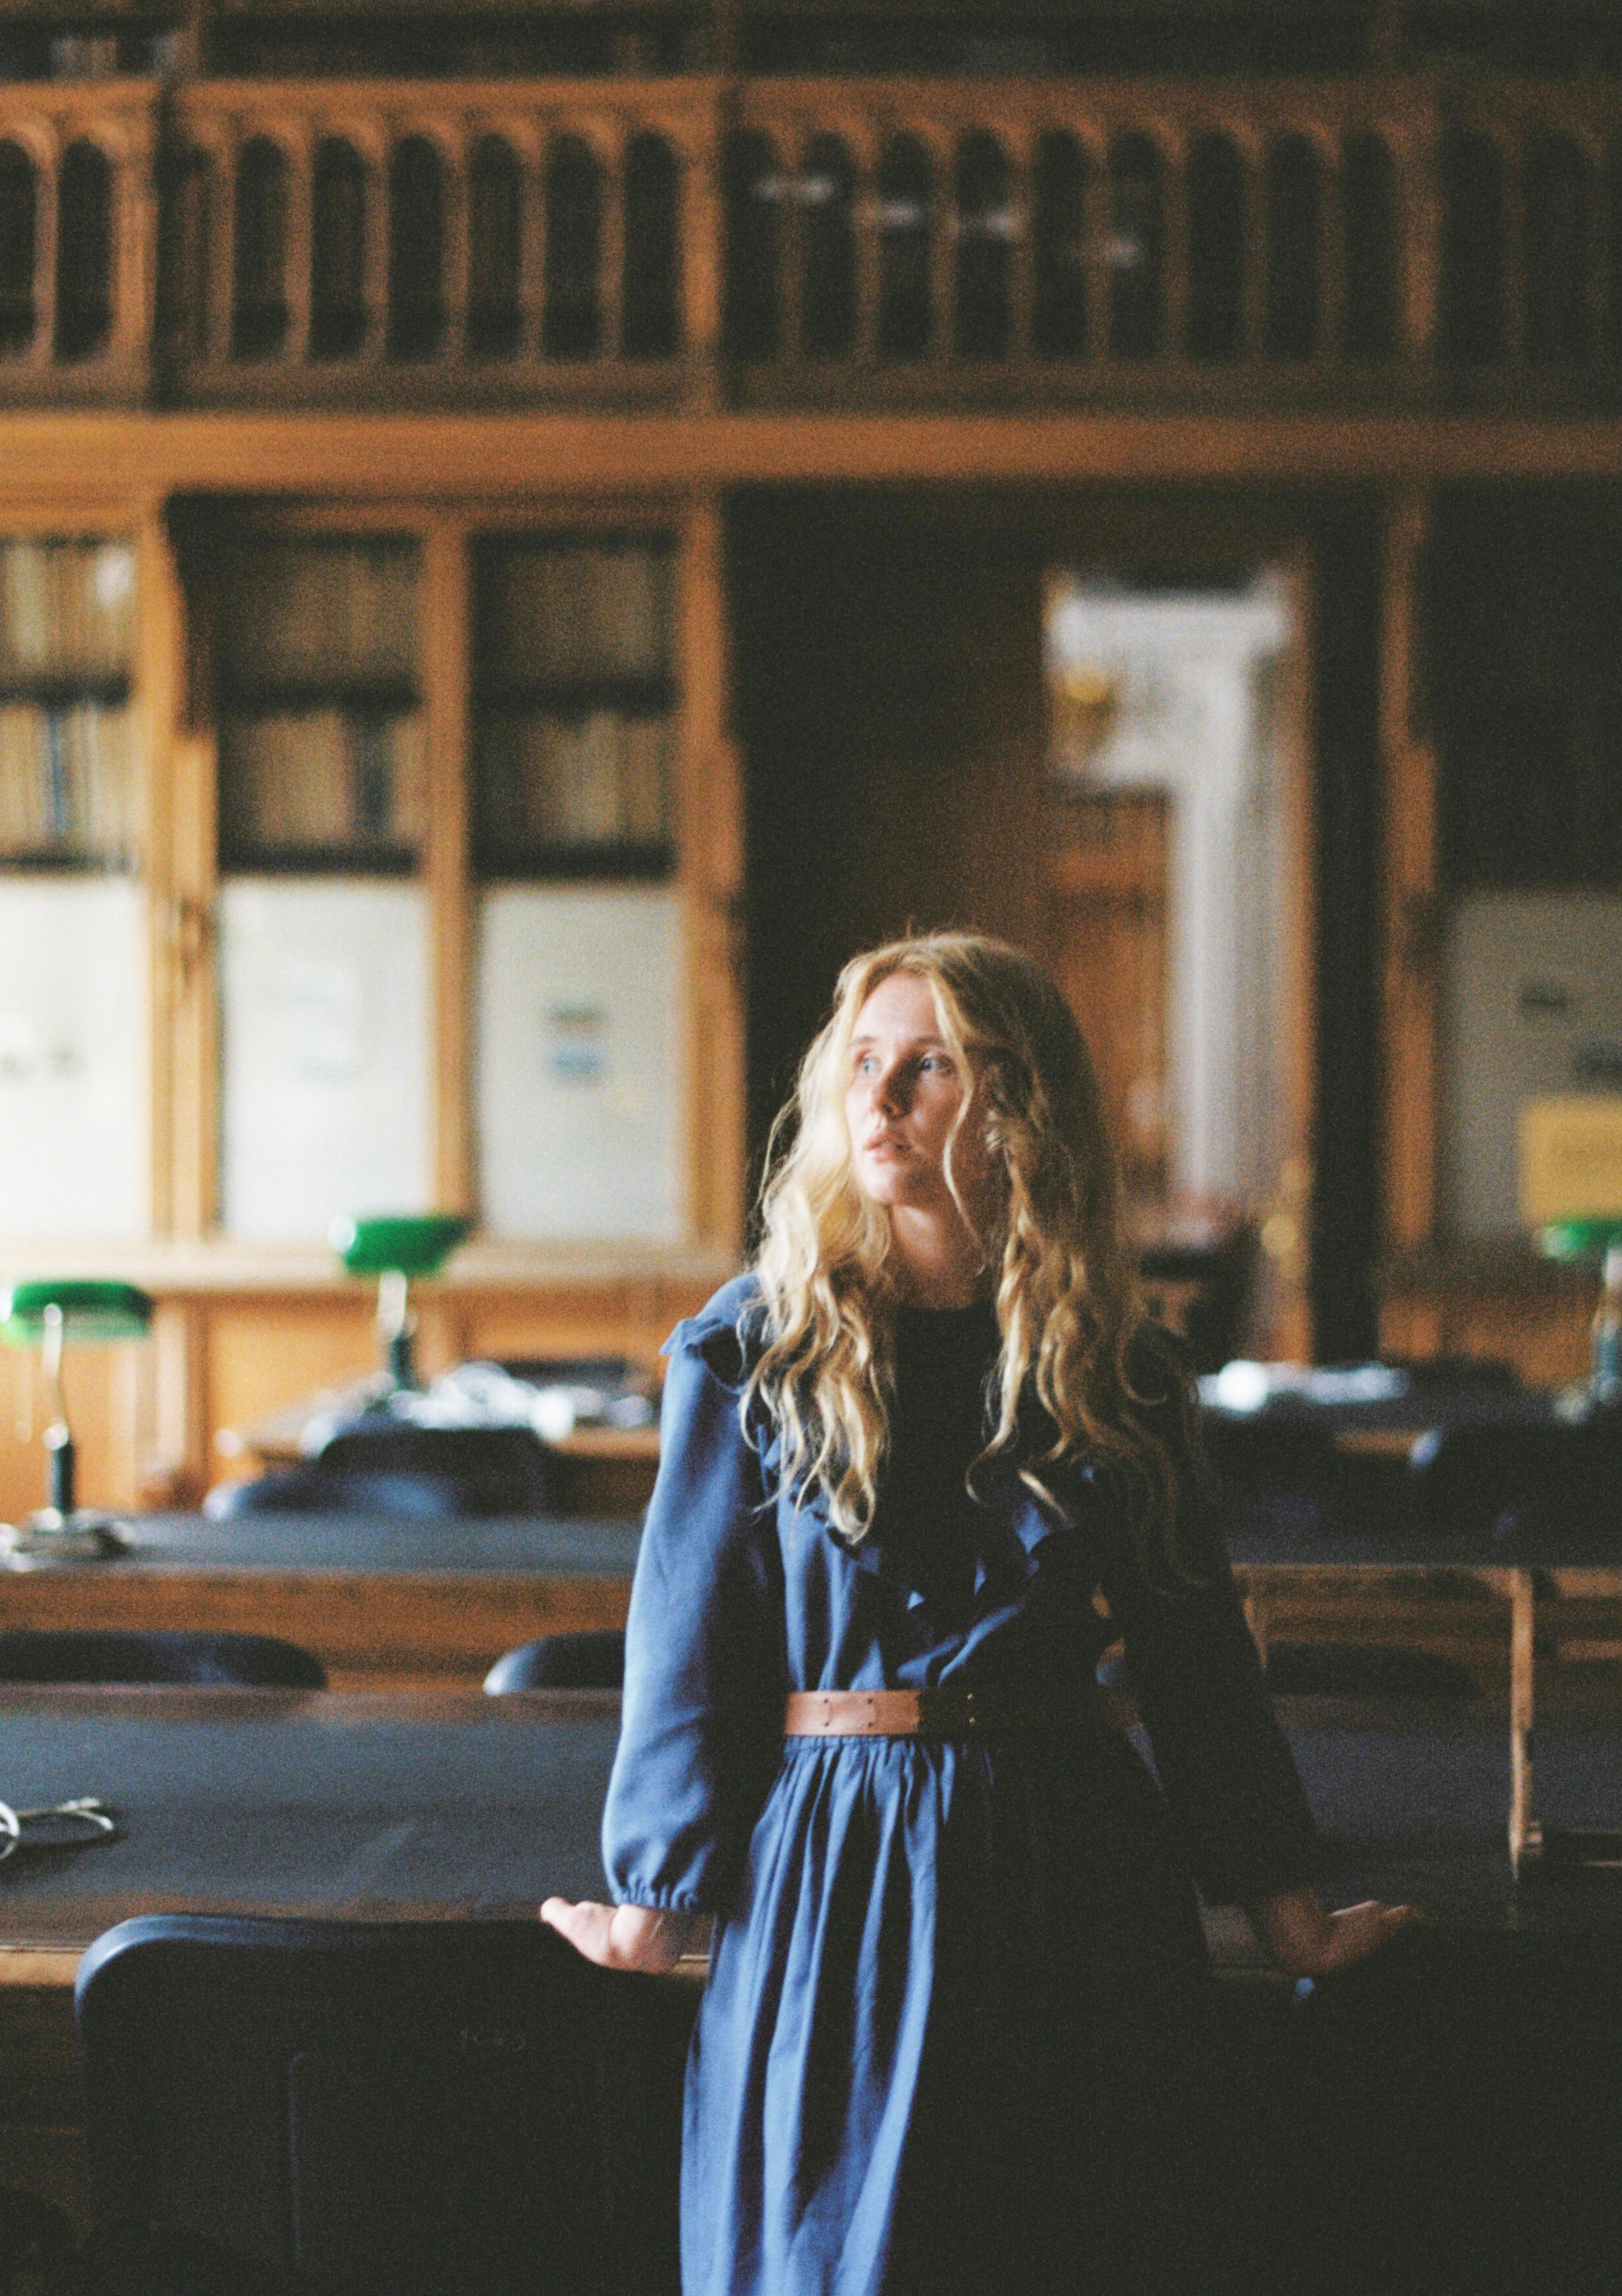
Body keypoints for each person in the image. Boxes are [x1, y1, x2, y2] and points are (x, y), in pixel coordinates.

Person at [544, 931, 1414, 2296]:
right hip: (838, 1858)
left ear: (1020, 1108)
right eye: (865, 1066)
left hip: (1070, 1859)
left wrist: (1285, 1911)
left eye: (930, 1066)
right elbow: (692, 1636)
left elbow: (1195, 1654)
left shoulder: (1115, 1366)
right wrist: (655, 1897)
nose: (881, 1102)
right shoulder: (757, 1344)